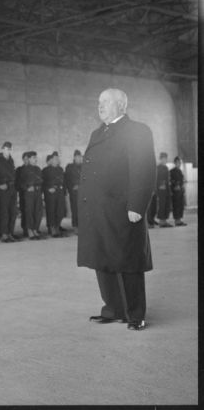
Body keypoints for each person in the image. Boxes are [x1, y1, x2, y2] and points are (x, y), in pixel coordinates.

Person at [78, 88, 155, 331]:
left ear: (121, 105)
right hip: (98, 210)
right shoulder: (98, 132)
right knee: (102, 259)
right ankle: (112, 309)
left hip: (122, 209)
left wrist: (136, 205)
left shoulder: (137, 131)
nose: (99, 106)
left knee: (128, 261)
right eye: (98, 101)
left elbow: (143, 169)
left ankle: (135, 314)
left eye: (105, 102)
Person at [0, 141, 19, 243]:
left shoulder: (11, 161)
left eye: (10, 149)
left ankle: (10, 233)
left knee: (12, 212)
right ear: (2, 149)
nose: (8, 151)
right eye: (7, 149)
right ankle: (4, 233)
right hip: (3, 190)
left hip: (12, 188)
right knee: (4, 212)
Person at [19, 151, 44, 240]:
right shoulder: (23, 170)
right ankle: (30, 230)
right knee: (29, 211)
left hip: (37, 192)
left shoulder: (38, 169)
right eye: (33, 158)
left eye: (36, 157)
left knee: (38, 211)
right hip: (29, 193)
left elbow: (41, 180)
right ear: (29, 159)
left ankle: (35, 229)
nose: (35, 159)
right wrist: (27, 188)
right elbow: (20, 183)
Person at [42, 152, 67, 238]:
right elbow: (43, 183)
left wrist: (64, 191)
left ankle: (57, 226)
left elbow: (64, 181)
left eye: (58, 159)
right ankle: (52, 228)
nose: (57, 160)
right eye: (55, 159)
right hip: (50, 193)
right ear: (51, 160)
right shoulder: (45, 170)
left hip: (59, 192)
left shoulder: (60, 169)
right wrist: (48, 189)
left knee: (60, 210)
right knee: (51, 210)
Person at [65, 150, 83, 231]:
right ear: (74, 157)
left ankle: (83, 226)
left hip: (83, 191)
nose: (79, 159)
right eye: (77, 157)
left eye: (80, 157)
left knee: (83, 209)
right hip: (74, 192)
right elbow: (67, 179)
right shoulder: (69, 167)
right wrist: (71, 188)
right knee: (75, 208)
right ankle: (76, 226)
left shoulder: (85, 166)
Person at [170, 157, 187, 226]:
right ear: (175, 163)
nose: (179, 164)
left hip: (181, 192)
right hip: (175, 192)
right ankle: (177, 221)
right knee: (176, 206)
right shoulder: (172, 171)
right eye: (177, 163)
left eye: (179, 163)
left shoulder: (180, 171)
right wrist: (175, 185)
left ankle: (179, 220)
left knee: (181, 206)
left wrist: (183, 186)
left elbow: (182, 180)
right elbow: (170, 181)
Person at [15, 152, 29, 238]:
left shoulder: (34, 169)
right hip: (23, 194)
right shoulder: (19, 170)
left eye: (28, 158)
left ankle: (33, 228)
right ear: (23, 159)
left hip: (33, 194)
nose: (27, 160)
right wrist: (25, 188)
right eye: (26, 159)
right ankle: (25, 229)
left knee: (33, 211)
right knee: (25, 212)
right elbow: (18, 182)